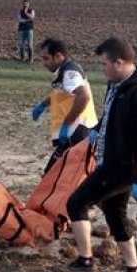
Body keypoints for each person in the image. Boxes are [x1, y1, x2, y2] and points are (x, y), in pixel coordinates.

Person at [66, 37, 137, 272]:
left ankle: (85, 260)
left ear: (119, 62)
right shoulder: (116, 84)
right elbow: (110, 113)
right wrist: (97, 128)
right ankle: (132, 267)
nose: (102, 68)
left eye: (104, 64)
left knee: (76, 203)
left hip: (122, 167)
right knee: (114, 212)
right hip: (111, 160)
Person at [31, 38, 98, 172]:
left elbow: (83, 96)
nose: (43, 63)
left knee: (55, 173)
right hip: (74, 130)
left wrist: (67, 124)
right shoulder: (63, 71)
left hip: (77, 130)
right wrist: (43, 105)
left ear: (58, 56)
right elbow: (61, 93)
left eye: (46, 58)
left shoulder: (69, 73)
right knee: (61, 172)